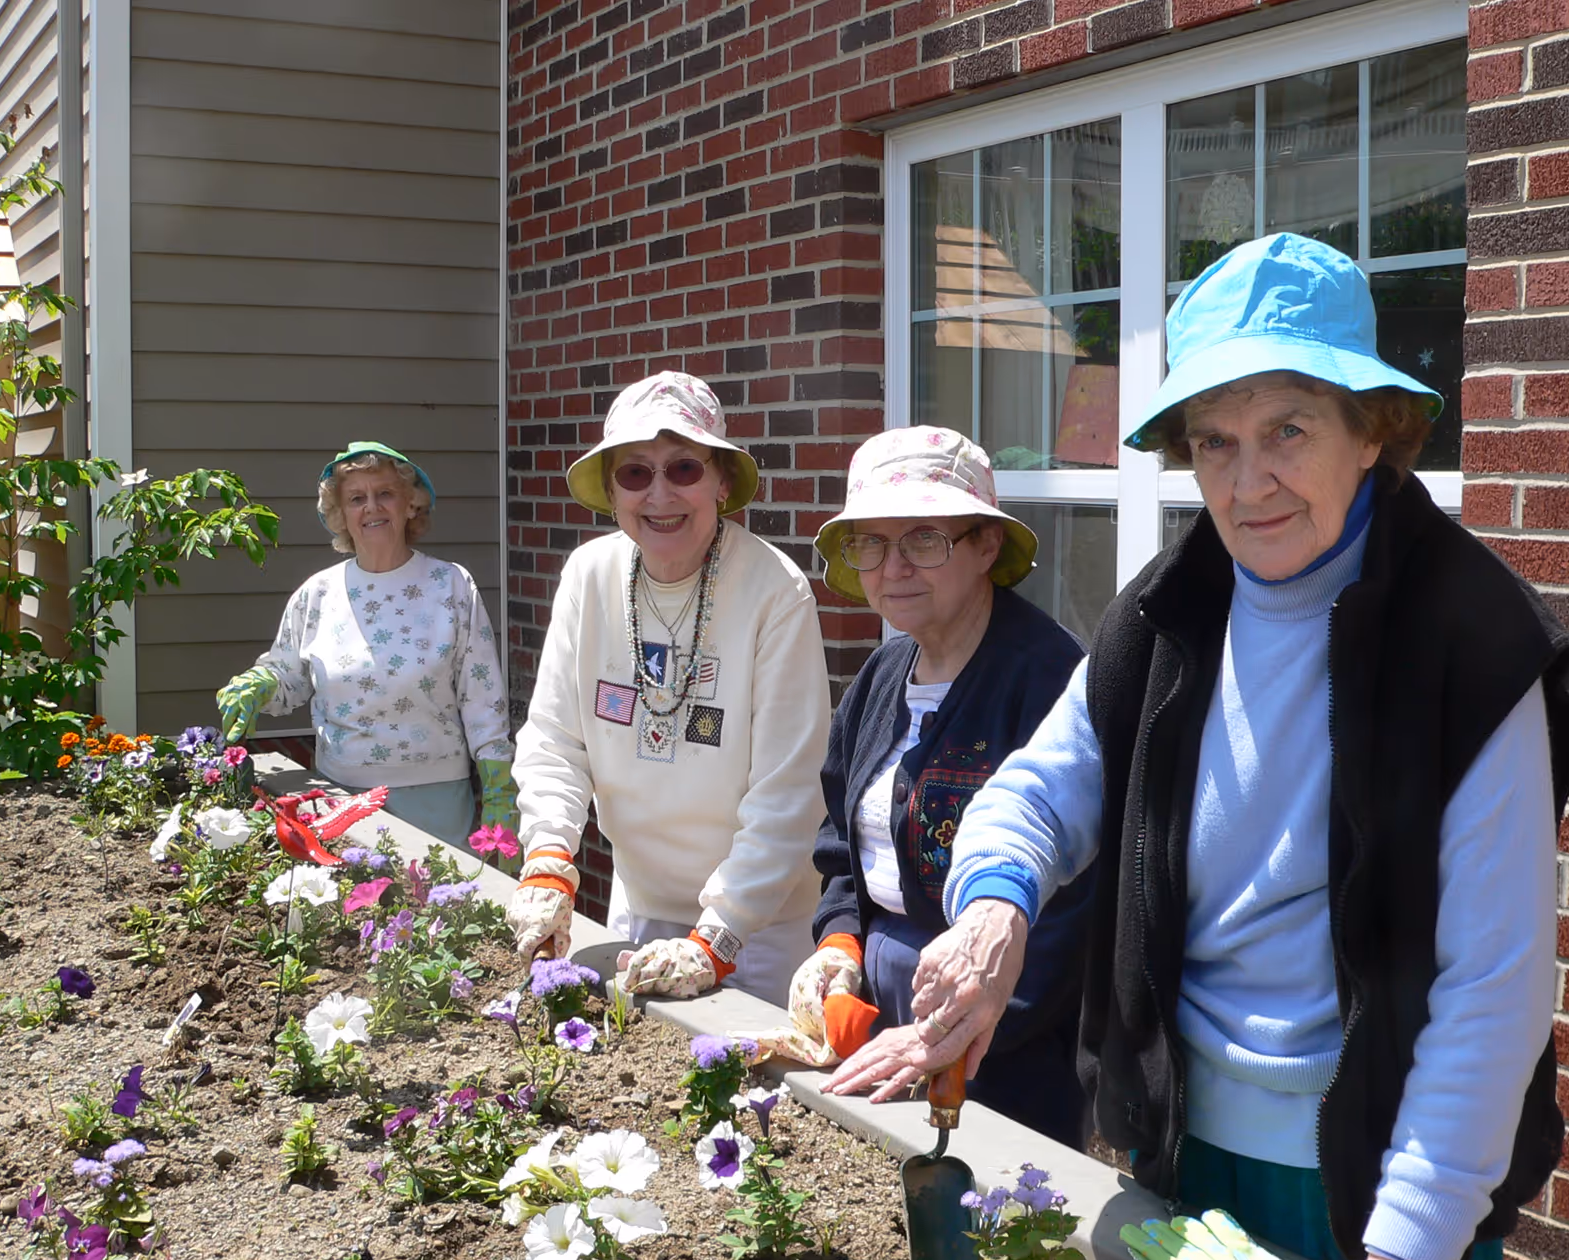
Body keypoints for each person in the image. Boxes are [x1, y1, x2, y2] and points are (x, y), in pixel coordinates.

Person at [866, 234, 1569, 1260]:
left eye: (1289, 430)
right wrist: (996, 904)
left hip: (1381, 1174)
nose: (1247, 479)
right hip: (1182, 1155)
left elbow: (1497, 982)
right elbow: (1039, 787)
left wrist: (1407, 1253)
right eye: (1215, 439)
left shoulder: (1470, 645)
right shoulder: (1169, 607)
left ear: (1374, 431)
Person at [748, 427, 1092, 1144]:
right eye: (871, 543)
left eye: (925, 539)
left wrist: (964, 1021)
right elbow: (840, 849)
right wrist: (839, 944)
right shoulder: (880, 678)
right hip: (878, 1009)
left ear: (986, 546)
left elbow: (1078, 901)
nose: (893, 567)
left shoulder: (1046, 678)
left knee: (991, 1217)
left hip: (1007, 1036)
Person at [504, 372, 829, 1004]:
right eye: (635, 473)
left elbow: (790, 789)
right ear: (612, 488)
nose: (660, 495)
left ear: (722, 482)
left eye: (684, 468)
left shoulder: (775, 592)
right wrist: (548, 855)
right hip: (640, 904)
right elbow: (554, 740)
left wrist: (718, 937)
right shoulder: (588, 576)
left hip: (758, 929)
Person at [215, 442, 515, 845]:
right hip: (339, 798)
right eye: (357, 498)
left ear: (410, 504)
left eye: (385, 494)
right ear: (340, 514)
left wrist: (499, 787)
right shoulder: (317, 593)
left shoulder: (452, 584)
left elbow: (483, 696)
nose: (371, 507)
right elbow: (288, 677)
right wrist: (260, 684)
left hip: (436, 800)